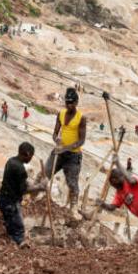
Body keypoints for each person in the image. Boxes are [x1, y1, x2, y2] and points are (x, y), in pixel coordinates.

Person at [45, 87, 86, 217]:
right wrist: (56, 140)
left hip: (73, 155)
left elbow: (81, 141)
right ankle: (37, 196)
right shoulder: (61, 114)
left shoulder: (81, 118)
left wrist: (67, 148)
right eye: (67, 102)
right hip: (59, 151)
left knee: (72, 183)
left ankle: (74, 208)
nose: (69, 105)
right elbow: (55, 132)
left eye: (71, 102)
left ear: (76, 102)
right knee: (46, 172)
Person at [0, 142, 46, 245]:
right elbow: (24, 190)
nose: (31, 158)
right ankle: (19, 244)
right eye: (31, 156)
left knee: (10, 220)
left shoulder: (11, 161)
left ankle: (10, 235)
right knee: (19, 227)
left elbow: (18, 181)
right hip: (10, 201)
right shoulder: (20, 169)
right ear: (27, 154)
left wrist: (32, 184)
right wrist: (40, 187)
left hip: (2, 197)